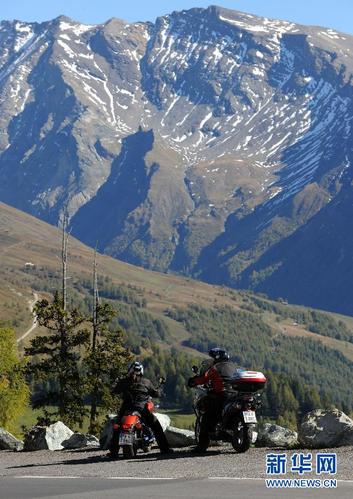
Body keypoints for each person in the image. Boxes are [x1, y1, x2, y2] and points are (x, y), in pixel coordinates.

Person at [112, 361, 173, 454]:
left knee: (117, 426)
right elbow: (155, 393)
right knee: (156, 426)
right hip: (141, 409)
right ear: (141, 371)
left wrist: (116, 383)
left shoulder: (123, 382)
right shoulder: (146, 382)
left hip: (126, 409)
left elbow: (115, 391)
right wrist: (160, 388)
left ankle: (113, 452)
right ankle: (165, 449)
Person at [188, 348, 235, 452]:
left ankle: (202, 446)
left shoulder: (215, 368)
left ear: (217, 358)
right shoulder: (233, 367)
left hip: (222, 395)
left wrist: (192, 381)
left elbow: (203, 378)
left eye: (213, 358)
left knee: (206, 417)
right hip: (234, 396)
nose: (212, 360)